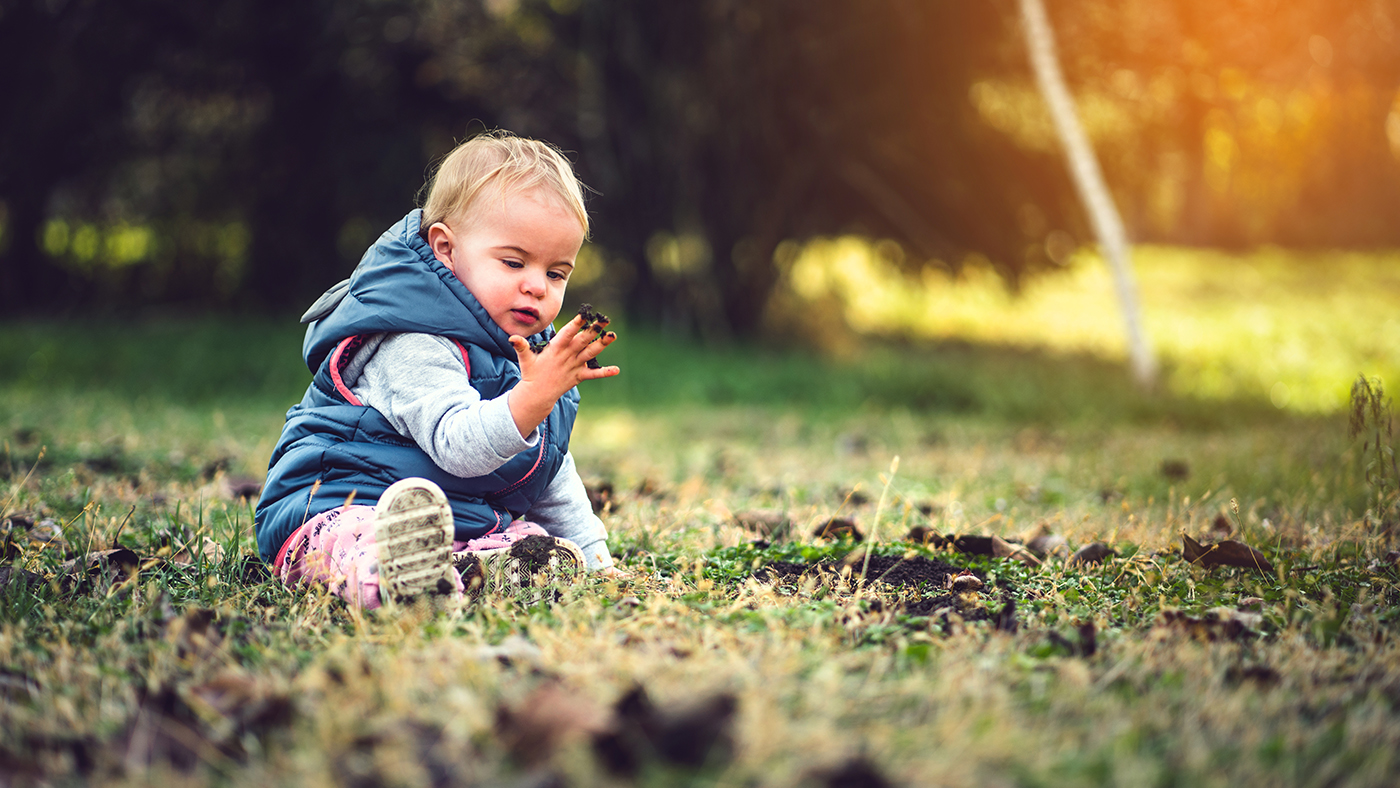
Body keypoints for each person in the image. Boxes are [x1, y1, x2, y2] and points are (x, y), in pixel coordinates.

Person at [253, 131, 620, 610]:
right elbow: (458, 446)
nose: (536, 286)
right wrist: (533, 396)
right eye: (514, 262)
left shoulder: (527, 354)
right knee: (355, 540)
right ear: (445, 248)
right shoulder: (412, 338)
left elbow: (548, 469)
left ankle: (468, 575)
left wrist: (597, 562)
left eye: (556, 273)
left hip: (456, 521)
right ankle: (394, 582)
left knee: (531, 541)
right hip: (337, 504)